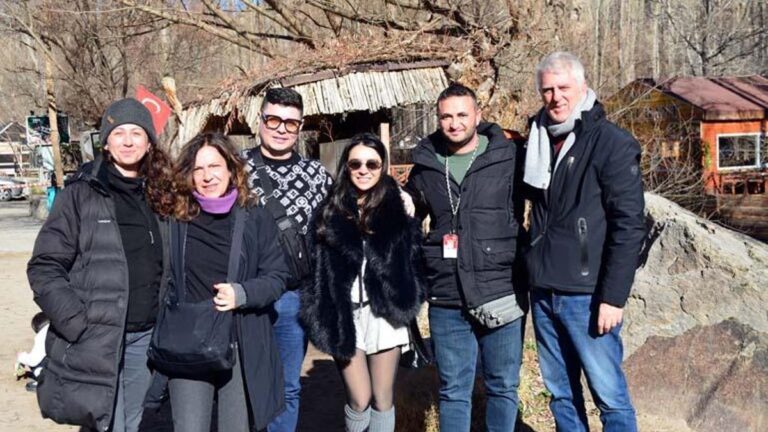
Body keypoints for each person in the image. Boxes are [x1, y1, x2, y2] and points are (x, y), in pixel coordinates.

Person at [27, 98, 175, 432]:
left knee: (132, 422)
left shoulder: (161, 195)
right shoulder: (80, 195)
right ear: (105, 141)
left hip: (146, 335)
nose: (127, 140)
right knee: (108, 424)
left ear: (149, 141)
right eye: (118, 132)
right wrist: (76, 322)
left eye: (136, 132)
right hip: (98, 338)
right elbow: (44, 266)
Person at [523, 51, 645, 432]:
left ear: (583, 87)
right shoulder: (537, 139)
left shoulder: (611, 143)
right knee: (560, 393)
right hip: (543, 289)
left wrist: (613, 296)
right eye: (547, 90)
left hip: (588, 295)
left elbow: (629, 226)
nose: (555, 97)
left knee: (608, 396)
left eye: (563, 88)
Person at [404, 83, 527, 432]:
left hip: (501, 289)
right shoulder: (426, 163)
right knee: (454, 390)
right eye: (446, 116)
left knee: (503, 386)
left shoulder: (508, 156)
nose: (454, 123)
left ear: (478, 115)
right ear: (437, 119)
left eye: (462, 114)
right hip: (448, 294)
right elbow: (411, 209)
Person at [166, 131, 290, 432]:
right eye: (198, 169)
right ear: (189, 175)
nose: (207, 176)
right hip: (189, 341)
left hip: (239, 340)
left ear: (231, 169)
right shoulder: (176, 219)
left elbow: (277, 277)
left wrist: (243, 293)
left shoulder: (255, 217)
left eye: (215, 166)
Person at [301, 133, 424, 432]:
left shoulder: (398, 208)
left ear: (382, 167)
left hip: (384, 313)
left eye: (372, 163)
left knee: (382, 398)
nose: (363, 169)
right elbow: (313, 266)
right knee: (359, 398)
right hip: (343, 314)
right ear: (346, 166)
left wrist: (410, 296)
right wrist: (318, 306)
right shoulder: (329, 211)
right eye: (355, 163)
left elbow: (416, 260)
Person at [242, 87, 333, 432]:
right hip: (245, 295)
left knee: (287, 387)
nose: (281, 128)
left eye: (290, 123)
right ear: (260, 120)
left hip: (294, 297)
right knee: (245, 385)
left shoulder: (315, 175)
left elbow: (342, 219)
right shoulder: (236, 169)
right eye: (273, 119)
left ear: (300, 126)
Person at [15, 312, 50, 391]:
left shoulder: (42, 335)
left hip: (57, 376)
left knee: (36, 365)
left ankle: (43, 382)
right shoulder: (61, 328)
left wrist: (21, 357)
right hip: (76, 370)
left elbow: (33, 360)